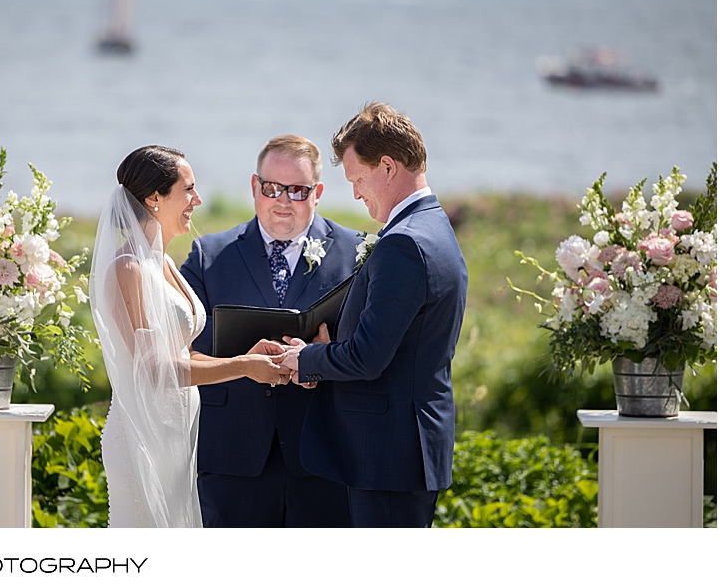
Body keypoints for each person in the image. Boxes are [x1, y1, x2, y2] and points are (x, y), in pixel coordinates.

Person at [276, 103, 468, 528]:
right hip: (406, 447)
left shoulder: (403, 244)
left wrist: (304, 359)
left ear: (386, 166)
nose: (357, 193)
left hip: (389, 455)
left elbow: (368, 357)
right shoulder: (435, 227)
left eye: (357, 179)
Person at [89, 145, 290, 528]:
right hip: (141, 438)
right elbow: (154, 370)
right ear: (154, 198)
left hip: (177, 437)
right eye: (188, 190)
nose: (197, 200)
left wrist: (249, 357)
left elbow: (182, 355)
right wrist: (244, 366)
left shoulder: (162, 262)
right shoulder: (128, 269)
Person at [180, 135, 361, 528]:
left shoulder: (358, 252)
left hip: (325, 451)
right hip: (233, 451)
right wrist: (244, 363)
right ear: (254, 187)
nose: (282, 200)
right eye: (271, 188)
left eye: (297, 190)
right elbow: (178, 352)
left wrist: (329, 356)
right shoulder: (208, 256)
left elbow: (373, 346)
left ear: (318, 193)